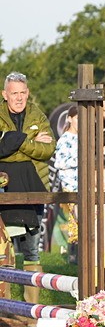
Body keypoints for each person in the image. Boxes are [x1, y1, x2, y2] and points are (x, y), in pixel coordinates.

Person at [0, 73, 54, 261]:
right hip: (3, 188)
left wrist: (14, 141)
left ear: (28, 92)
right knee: (3, 248)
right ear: (4, 94)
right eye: (14, 93)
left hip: (34, 184)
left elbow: (47, 150)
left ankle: (32, 288)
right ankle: (5, 289)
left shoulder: (38, 116)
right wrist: (30, 140)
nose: (19, 97)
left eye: (23, 92)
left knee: (32, 249)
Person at [51, 105, 80, 262]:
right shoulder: (64, 139)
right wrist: (82, 160)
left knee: (81, 220)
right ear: (69, 119)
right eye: (77, 118)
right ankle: (73, 254)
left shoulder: (83, 138)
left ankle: (79, 254)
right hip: (70, 184)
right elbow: (60, 163)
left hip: (83, 185)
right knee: (75, 219)